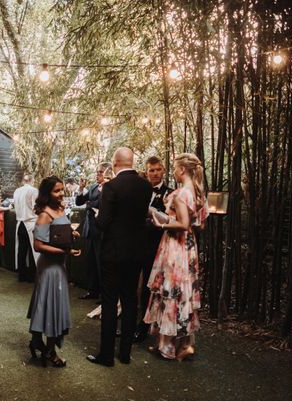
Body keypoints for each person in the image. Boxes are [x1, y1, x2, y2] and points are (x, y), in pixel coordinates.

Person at [87, 147, 153, 367]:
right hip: (136, 252)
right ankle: (125, 353)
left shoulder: (112, 186)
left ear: (115, 163)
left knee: (109, 301)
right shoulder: (146, 186)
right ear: (132, 162)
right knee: (130, 300)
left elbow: (103, 222)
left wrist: (98, 215)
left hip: (113, 252)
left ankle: (106, 355)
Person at [144, 153, 208, 361]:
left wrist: (161, 223)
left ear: (181, 170)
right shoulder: (198, 193)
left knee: (170, 291)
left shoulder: (181, 194)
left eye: (174, 168)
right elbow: (200, 225)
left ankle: (167, 346)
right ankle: (186, 343)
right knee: (184, 292)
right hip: (189, 247)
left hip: (175, 246)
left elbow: (182, 224)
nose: (173, 172)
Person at [27, 176, 81, 367]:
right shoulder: (44, 215)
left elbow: (57, 234)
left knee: (51, 305)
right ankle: (49, 352)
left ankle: (36, 341)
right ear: (47, 193)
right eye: (57, 191)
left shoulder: (60, 209)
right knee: (50, 307)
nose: (61, 194)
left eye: (62, 190)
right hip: (49, 268)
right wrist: (65, 251)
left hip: (59, 266)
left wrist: (70, 233)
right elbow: (38, 245)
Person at [134, 156, 175, 343]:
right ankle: (130, 323)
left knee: (148, 290)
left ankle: (143, 327)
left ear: (164, 170)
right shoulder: (138, 190)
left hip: (156, 248)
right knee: (131, 285)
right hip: (135, 244)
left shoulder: (171, 194)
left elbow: (170, 221)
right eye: (151, 170)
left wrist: (150, 221)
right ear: (146, 171)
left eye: (158, 169)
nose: (155, 173)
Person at [75, 162, 112, 300]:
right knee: (90, 261)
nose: (97, 174)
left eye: (100, 172)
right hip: (89, 229)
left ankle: (104, 295)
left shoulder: (110, 188)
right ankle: (92, 291)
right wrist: (80, 188)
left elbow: (99, 205)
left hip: (101, 231)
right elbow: (79, 202)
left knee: (100, 262)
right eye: (97, 172)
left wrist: (89, 204)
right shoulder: (93, 187)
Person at [13, 174, 39, 282]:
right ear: (32, 180)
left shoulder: (17, 191)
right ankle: (32, 276)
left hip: (20, 223)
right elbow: (35, 208)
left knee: (22, 250)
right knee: (34, 249)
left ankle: (21, 275)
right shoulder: (34, 191)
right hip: (31, 222)